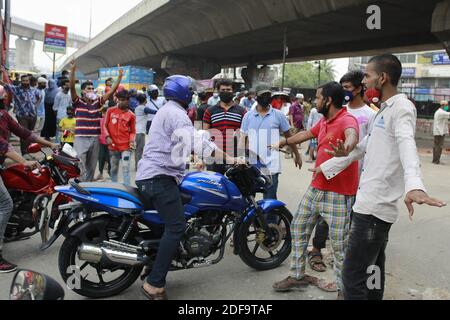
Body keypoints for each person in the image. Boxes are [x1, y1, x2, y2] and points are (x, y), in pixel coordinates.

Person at [318, 54, 446, 300]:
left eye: (367, 75)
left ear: (383, 77)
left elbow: (407, 145)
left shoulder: (401, 108)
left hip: (374, 212)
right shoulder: (382, 112)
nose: (363, 81)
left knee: (352, 277)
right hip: (369, 206)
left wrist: (414, 185)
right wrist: (330, 164)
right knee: (373, 270)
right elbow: (362, 148)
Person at [136, 75, 242, 300]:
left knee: (166, 225)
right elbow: (200, 143)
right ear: (184, 93)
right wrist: (231, 160)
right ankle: (154, 284)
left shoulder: (167, 110)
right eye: (191, 91)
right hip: (159, 178)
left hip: (153, 176)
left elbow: (180, 142)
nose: (193, 95)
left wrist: (193, 158)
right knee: (176, 227)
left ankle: (153, 265)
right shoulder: (177, 114)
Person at [271, 82, 360, 299]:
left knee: (340, 246)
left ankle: (343, 290)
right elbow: (306, 134)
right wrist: (283, 141)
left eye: (318, 98)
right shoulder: (325, 120)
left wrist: (346, 147)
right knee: (298, 227)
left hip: (339, 194)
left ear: (328, 100)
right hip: (316, 188)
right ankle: (297, 275)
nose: (315, 102)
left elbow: (352, 135)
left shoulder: (347, 119)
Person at [0, 108, 58, 273]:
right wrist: (23, 161)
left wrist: (50, 145)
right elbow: (3, 146)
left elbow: (25, 133)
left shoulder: (3, 115)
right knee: (5, 204)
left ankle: (11, 229)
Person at [239, 89, 302, 203]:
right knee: (248, 199)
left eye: (268, 95)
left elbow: (290, 137)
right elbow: (243, 138)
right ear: (256, 97)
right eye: (263, 95)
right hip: (251, 164)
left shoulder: (279, 115)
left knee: (270, 199)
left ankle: (272, 220)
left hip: (271, 165)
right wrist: (240, 157)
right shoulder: (248, 116)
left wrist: (296, 154)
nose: (266, 98)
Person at [70, 60, 123, 182]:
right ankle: (79, 186)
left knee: (91, 166)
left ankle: (87, 187)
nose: (91, 90)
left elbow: (111, 91)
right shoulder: (77, 102)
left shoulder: (97, 102)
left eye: (92, 88)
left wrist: (119, 77)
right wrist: (72, 72)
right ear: (83, 91)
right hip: (81, 138)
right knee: (79, 164)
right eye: (89, 88)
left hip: (95, 138)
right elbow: (72, 87)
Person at [203, 79, 247, 174]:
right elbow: (205, 134)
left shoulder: (242, 111)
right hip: (215, 155)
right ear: (218, 91)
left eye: (228, 90)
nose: (225, 92)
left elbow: (246, 134)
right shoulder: (210, 111)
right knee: (215, 185)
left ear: (233, 91)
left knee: (235, 185)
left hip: (235, 155)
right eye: (223, 90)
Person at [1, 75, 42, 155]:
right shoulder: (16, 89)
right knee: (23, 134)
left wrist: (36, 106)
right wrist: (2, 72)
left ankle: (28, 151)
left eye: (27, 81)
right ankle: (24, 153)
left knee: (30, 134)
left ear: (29, 81)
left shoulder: (34, 90)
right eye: (23, 81)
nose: (25, 82)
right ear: (21, 81)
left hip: (33, 115)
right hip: (22, 116)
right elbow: (4, 84)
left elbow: (39, 97)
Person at [104, 90, 136, 186]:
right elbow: (105, 125)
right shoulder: (110, 111)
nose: (120, 102)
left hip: (126, 146)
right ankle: (114, 187)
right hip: (113, 146)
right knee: (114, 168)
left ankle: (127, 189)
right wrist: (107, 136)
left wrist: (131, 141)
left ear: (128, 101)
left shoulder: (131, 115)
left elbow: (133, 131)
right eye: (119, 100)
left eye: (123, 100)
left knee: (126, 168)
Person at [134, 94, 156, 169]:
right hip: (140, 132)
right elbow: (154, 111)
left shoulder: (137, 108)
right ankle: (138, 166)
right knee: (139, 150)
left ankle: (137, 165)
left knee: (137, 150)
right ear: (145, 100)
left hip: (137, 131)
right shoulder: (143, 108)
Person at [53, 79, 73, 144]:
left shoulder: (70, 94)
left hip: (68, 116)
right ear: (62, 86)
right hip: (60, 117)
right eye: (66, 85)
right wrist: (57, 117)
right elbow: (55, 108)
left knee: (67, 132)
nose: (68, 87)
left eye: (69, 85)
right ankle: (57, 146)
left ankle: (65, 146)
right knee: (59, 132)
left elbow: (70, 105)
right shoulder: (58, 95)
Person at [96, 108, 111, 182]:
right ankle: (100, 173)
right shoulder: (99, 120)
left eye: (105, 113)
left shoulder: (110, 121)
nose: (104, 114)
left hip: (109, 143)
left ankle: (110, 172)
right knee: (101, 158)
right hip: (101, 142)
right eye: (103, 113)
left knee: (109, 158)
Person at [432, 100, 450, 164]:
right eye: (446, 105)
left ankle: (435, 160)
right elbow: (448, 114)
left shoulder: (440, 112)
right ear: (443, 105)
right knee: (438, 146)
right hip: (439, 132)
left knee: (437, 146)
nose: (447, 106)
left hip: (439, 131)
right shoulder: (441, 112)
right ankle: (436, 160)